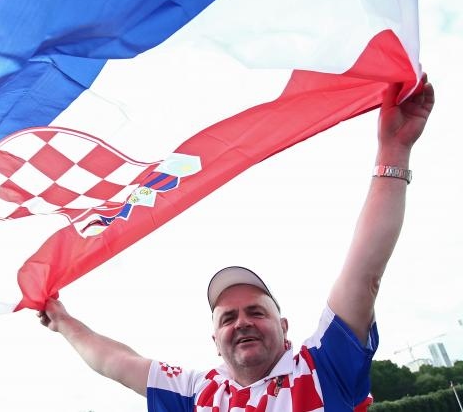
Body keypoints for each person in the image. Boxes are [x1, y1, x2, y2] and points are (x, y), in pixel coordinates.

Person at [39, 78, 434, 411]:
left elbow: (364, 272)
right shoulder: (198, 393)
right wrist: (63, 322)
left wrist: (394, 150)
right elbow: (116, 362)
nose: (241, 322)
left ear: (283, 327)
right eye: (227, 318)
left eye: (255, 312)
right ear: (215, 341)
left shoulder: (322, 367)